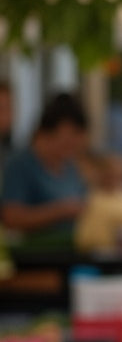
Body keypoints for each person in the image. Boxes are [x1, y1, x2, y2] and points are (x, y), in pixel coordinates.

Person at [0, 91, 89, 246]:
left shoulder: (70, 167)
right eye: (67, 139)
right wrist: (60, 211)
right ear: (47, 134)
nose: (73, 145)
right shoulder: (20, 164)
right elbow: (11, 216)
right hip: (34, 259)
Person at [73, 150, 122, 254]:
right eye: (110, 173)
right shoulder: (91, 194)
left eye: (118, 174)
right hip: (98, 251)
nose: (114, 177)